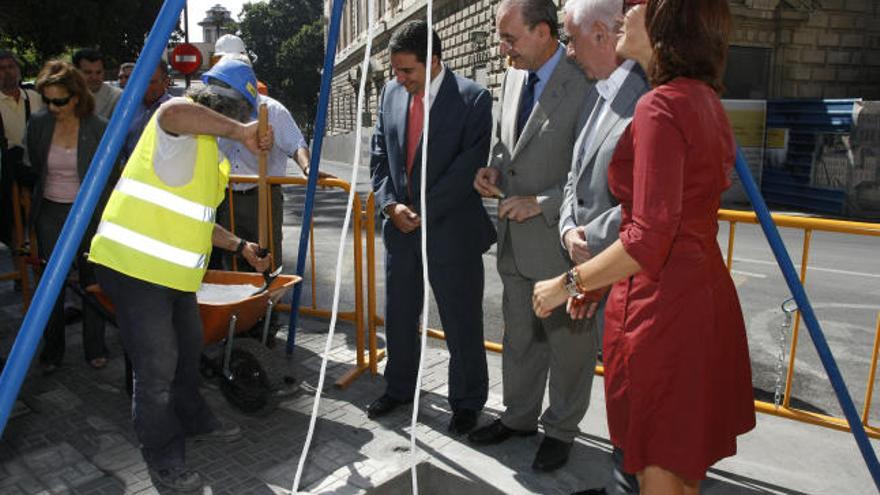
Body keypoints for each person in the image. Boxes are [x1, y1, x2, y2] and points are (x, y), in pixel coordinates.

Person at [532, 1, 756, 493]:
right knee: (681, 468)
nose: (625, 14)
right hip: (701, 302)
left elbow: (647, 239)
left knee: (659, 462)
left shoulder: (660, 105)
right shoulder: (704, 100)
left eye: (638, 7)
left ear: (662, 26)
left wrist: (564, 283)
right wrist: (595, 285)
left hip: (663, 315)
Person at [88, 58, 273, 492]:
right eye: (235, 117)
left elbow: (199, 220)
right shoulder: (176, 122)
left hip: (173, 279)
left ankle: (194, 418)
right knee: (157, 371)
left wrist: (242, 247)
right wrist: (244, 133)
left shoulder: (207, 151)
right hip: (132, 267)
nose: (237, 126)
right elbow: (172, 113)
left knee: (188, 352)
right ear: (221, 108)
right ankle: (164, 458)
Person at [469, 0, 592, 472]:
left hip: (560, 240)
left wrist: (543, 204)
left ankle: (561, 429)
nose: (503, 50)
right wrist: (492, 170)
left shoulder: (585, 80)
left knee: (569, 345)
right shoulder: (515, 74)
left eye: (510, 38)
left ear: (544, 32)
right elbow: (508, 146)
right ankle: (518, 417)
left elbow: (593, 174)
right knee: (520, 336)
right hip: (515, 243)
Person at [367, 20, 495, 435]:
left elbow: (466, 168)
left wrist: (419, 210)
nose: (399, 79)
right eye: (395, 71)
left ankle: (467, 401)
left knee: (461, 321)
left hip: (451, 231)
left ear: (435, 62)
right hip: (400, 231)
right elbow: (379, 158)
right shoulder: (389, 94)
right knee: (400, 316)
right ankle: (400, 387)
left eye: (408, 71)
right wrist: (390, 206)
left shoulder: (473, 100)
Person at [559, 0, 650, 491]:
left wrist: (587, 241)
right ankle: (622, 483)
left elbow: (650, 204)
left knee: (637, 405)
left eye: (571, 40)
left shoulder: (651, 98)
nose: (568, 53)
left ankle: (628, 483)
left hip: (632, 279)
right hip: (601, 273)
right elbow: (575, 179)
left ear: (601, 33)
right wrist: (568, 230)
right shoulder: (597, 93)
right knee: (619, 397)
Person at [21, 60, 114, 373]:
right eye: (46, 100)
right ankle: (53, 349)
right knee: (50, 284)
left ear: (76, 97)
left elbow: (112, 175)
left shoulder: (99, 128)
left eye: (59, 100)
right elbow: (35, 167)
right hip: (50, 211)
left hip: (89, 213)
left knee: (93, 281)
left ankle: (95, 347)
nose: (52, 106)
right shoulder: (38, 124)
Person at [0, 50, 44, 248]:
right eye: (2, 68)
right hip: (7, 171)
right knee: (13, 228)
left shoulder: (34, 97)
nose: (7, 72)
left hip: (36, 165)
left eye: (11, 67)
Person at [120, 62, 172, 163]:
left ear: (166, 82)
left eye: (151, 82)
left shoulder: (176, 109)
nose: (145, 87)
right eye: (142, 82)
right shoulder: (127, 109)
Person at [73, 48, 121, 119]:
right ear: (75, 72)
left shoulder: (116, 97)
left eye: (98, 72)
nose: (94, 77)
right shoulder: (63, 94)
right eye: (88, 72)